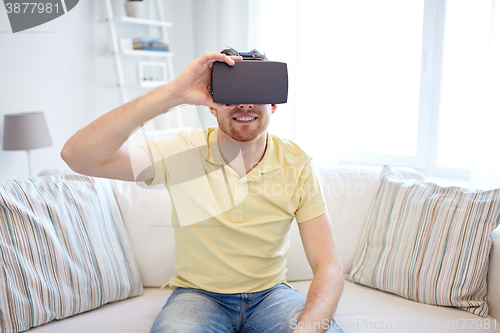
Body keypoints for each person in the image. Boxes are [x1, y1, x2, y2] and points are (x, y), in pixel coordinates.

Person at [61, 48, 345, 333]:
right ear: (212, 105)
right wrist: (173, 92)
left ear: (273, 104)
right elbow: (78, 156)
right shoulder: (180, 151)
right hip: (198, 296)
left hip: (271, 295)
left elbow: (328, 266)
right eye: (232, 94)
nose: (244, 105)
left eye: (255, 92)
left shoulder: (297, 163)